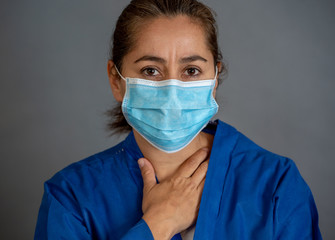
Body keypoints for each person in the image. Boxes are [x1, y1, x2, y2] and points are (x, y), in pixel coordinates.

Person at [34, 0, 322, 239]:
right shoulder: (71, 198)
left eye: (191, 71)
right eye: (150, 71)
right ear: (116, 80)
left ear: (214, 78)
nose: (172, 91)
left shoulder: (276, 185)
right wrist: (158, 226)